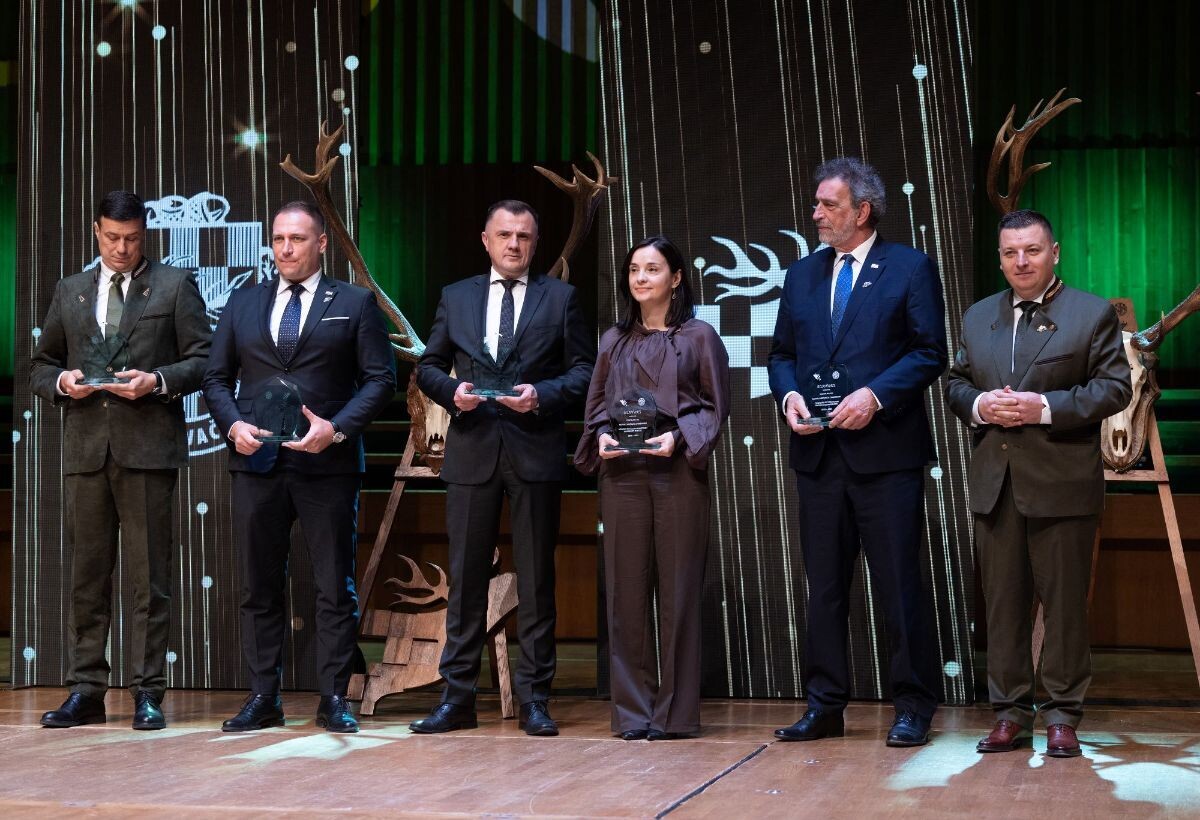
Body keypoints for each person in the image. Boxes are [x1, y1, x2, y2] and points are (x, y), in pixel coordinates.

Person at [768, 157, 947, 747]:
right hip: (818, 457)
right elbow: (781, 355)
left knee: (899, 586)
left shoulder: (910, 267)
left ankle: (913, 706)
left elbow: (929, 352)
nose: (816, 213)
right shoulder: (801, 275)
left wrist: (874, 396)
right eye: (817, 203)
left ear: (863, 210)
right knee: (823, 590)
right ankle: (824, 706)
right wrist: (790, 395)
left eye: (828, 204)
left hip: (886, 457)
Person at [202, 201, 396, 734]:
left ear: (321, 244)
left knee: (335, 586)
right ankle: (263, 697)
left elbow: (381, 379)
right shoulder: (243, 302)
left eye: (298, 239)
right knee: (258, 586)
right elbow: (216, 378)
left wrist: (336, 429)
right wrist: (233, 426)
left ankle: (334, 697)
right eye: (279, 239)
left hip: (327, 465)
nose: (286, 249)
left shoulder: (354, 303)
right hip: (256, 463)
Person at [946, 209, 1131, 758]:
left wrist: (1043, 407)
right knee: (1003, 606)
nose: (1021, 261)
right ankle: (1008, 713)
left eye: (1032, 250)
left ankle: (1062, 715)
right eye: (1010, 253)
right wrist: (980, 405)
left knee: (1064, 608)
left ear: (1055, 252)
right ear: (1000, 258)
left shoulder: (1091, 313)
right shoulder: (979, 315)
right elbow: (956, 382)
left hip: (1062, 484)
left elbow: (1114, 388)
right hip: (996, 484)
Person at [410, 199, 594, 736]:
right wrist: (453, 393)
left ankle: (535, 698)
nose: (515, 244)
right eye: (505, 235)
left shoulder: (560, 298)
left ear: (535, 243)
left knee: (537, 581)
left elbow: (584, 372)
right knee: (467, 581)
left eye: (525, 236)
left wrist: (541, 395)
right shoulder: (456, 296)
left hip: (534, 450)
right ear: (486, 240)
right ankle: (457, 699)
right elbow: (428, 366)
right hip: (472, 450)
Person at [30, 190, 212, 730]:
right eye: (112, 237)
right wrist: (62, 382)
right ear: (96, 230)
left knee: (149, 580)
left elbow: (204, 359)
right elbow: (40, 365)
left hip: (148, 449)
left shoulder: (175, 285)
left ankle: (147, 691)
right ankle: (86, 690)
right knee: (87, 578)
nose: (121, 248)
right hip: (86, 449)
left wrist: (157, 380)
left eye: (131, 239)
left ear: (144, 234)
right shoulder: (70, 290)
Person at [574, 236, 729, 740]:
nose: (641, 278)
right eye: (634, 270)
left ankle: (676, 715)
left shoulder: (700, 336)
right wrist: (602, 436)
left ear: (676, 278)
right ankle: (632, 714)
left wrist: (679, 437)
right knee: (625, 594)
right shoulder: (612, 340)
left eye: (653, 269)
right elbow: (596, 406)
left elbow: (715, 407)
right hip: (622, 474)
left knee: (680, 594)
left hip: (678, 471)